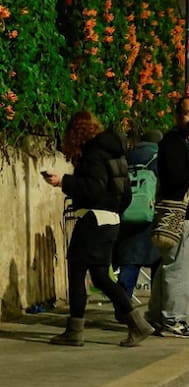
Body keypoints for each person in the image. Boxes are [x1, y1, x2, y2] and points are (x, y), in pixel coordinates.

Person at [41, 111, 154, 347]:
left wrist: (63, 180)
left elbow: (92, 188)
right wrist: (114, 212)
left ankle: (75, 330)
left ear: (76, 132)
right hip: (110, 220)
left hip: (92, 220)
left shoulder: (93, 154)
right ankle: (137, 323)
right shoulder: (114, 153)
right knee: (101, 277)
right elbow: (125, 194)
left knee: (77, 272)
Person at [148, 96, 189, 338]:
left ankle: (156, 317)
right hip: (179, 217)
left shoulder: (183, 142)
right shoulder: (173, 143)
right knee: (179, 270)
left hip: (186, 214)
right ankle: (174, 321)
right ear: (177, 115)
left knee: (168, 267)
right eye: (188, 113)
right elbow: (177, 178)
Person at [115, 129, 163, 302]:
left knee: (129, 261)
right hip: (152, 217)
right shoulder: (159, 157)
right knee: (159, 263)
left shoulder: (128, 156)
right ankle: (157, 306)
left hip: (127, 215)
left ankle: (123, 305)